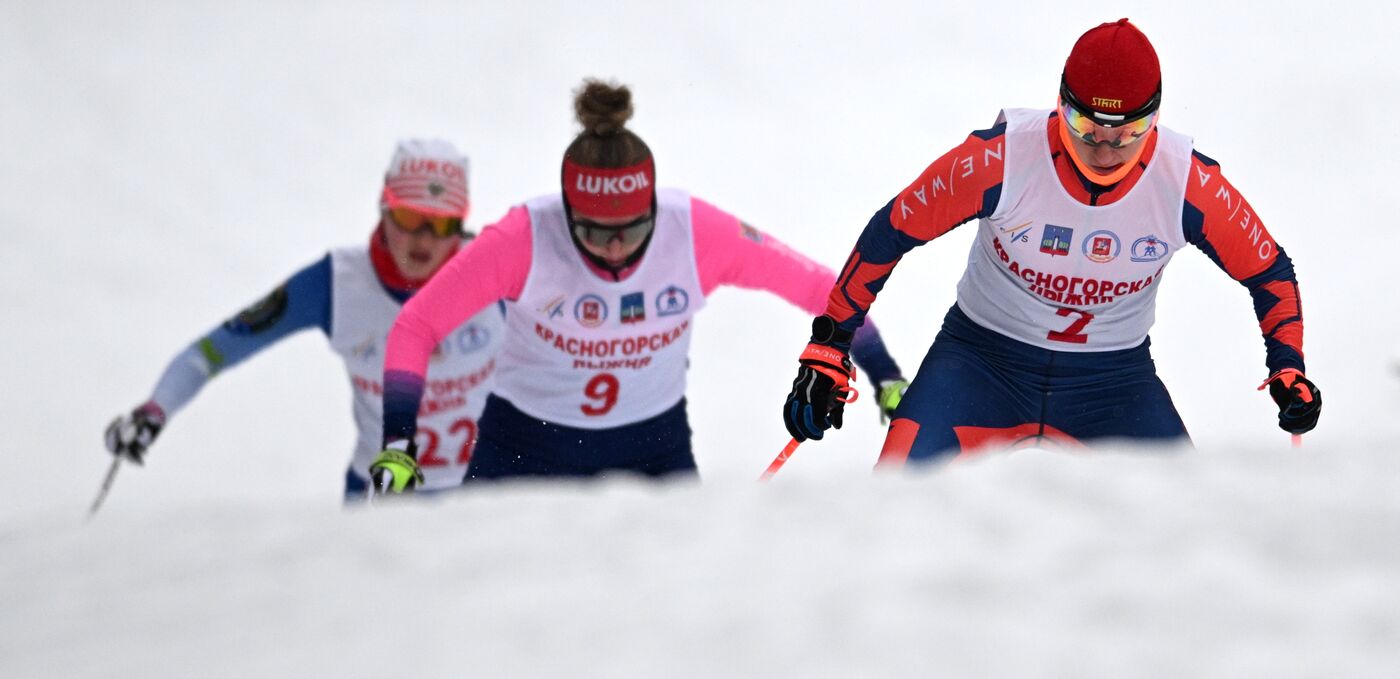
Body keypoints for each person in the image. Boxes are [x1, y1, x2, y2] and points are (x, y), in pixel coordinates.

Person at [781, 18, 1320, 464]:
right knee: (894, 506)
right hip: (979, 362)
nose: (1105, 151)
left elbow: (1269, 271)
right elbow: (891, 231)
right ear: (1059, 103)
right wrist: (829, 347)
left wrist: (1288, 365)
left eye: (1128, 134)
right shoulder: (1002, 159)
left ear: (1155, 119)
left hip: (1113, 383)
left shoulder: (1187, 183)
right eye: (1086, 126)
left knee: (1191, 532)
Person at [369, 81, 906, 491]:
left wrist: (883, 374)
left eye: (633, 230)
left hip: (652, 449)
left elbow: (822, 288)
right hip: (525, 447)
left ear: (652, 208)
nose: (616, 249)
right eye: (594, 233)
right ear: (567, 213)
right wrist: (398, 444)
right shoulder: (524, 237)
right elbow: (417, 324)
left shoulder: (695, 232)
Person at [104, 140, 504, 498]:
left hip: (482, 498)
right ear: (383, 208)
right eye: (410, 219)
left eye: (442, 224)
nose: (425, 240)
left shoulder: (497, 271)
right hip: (380, 499)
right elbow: (212, 351)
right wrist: (153, 411)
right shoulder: (336, 284)